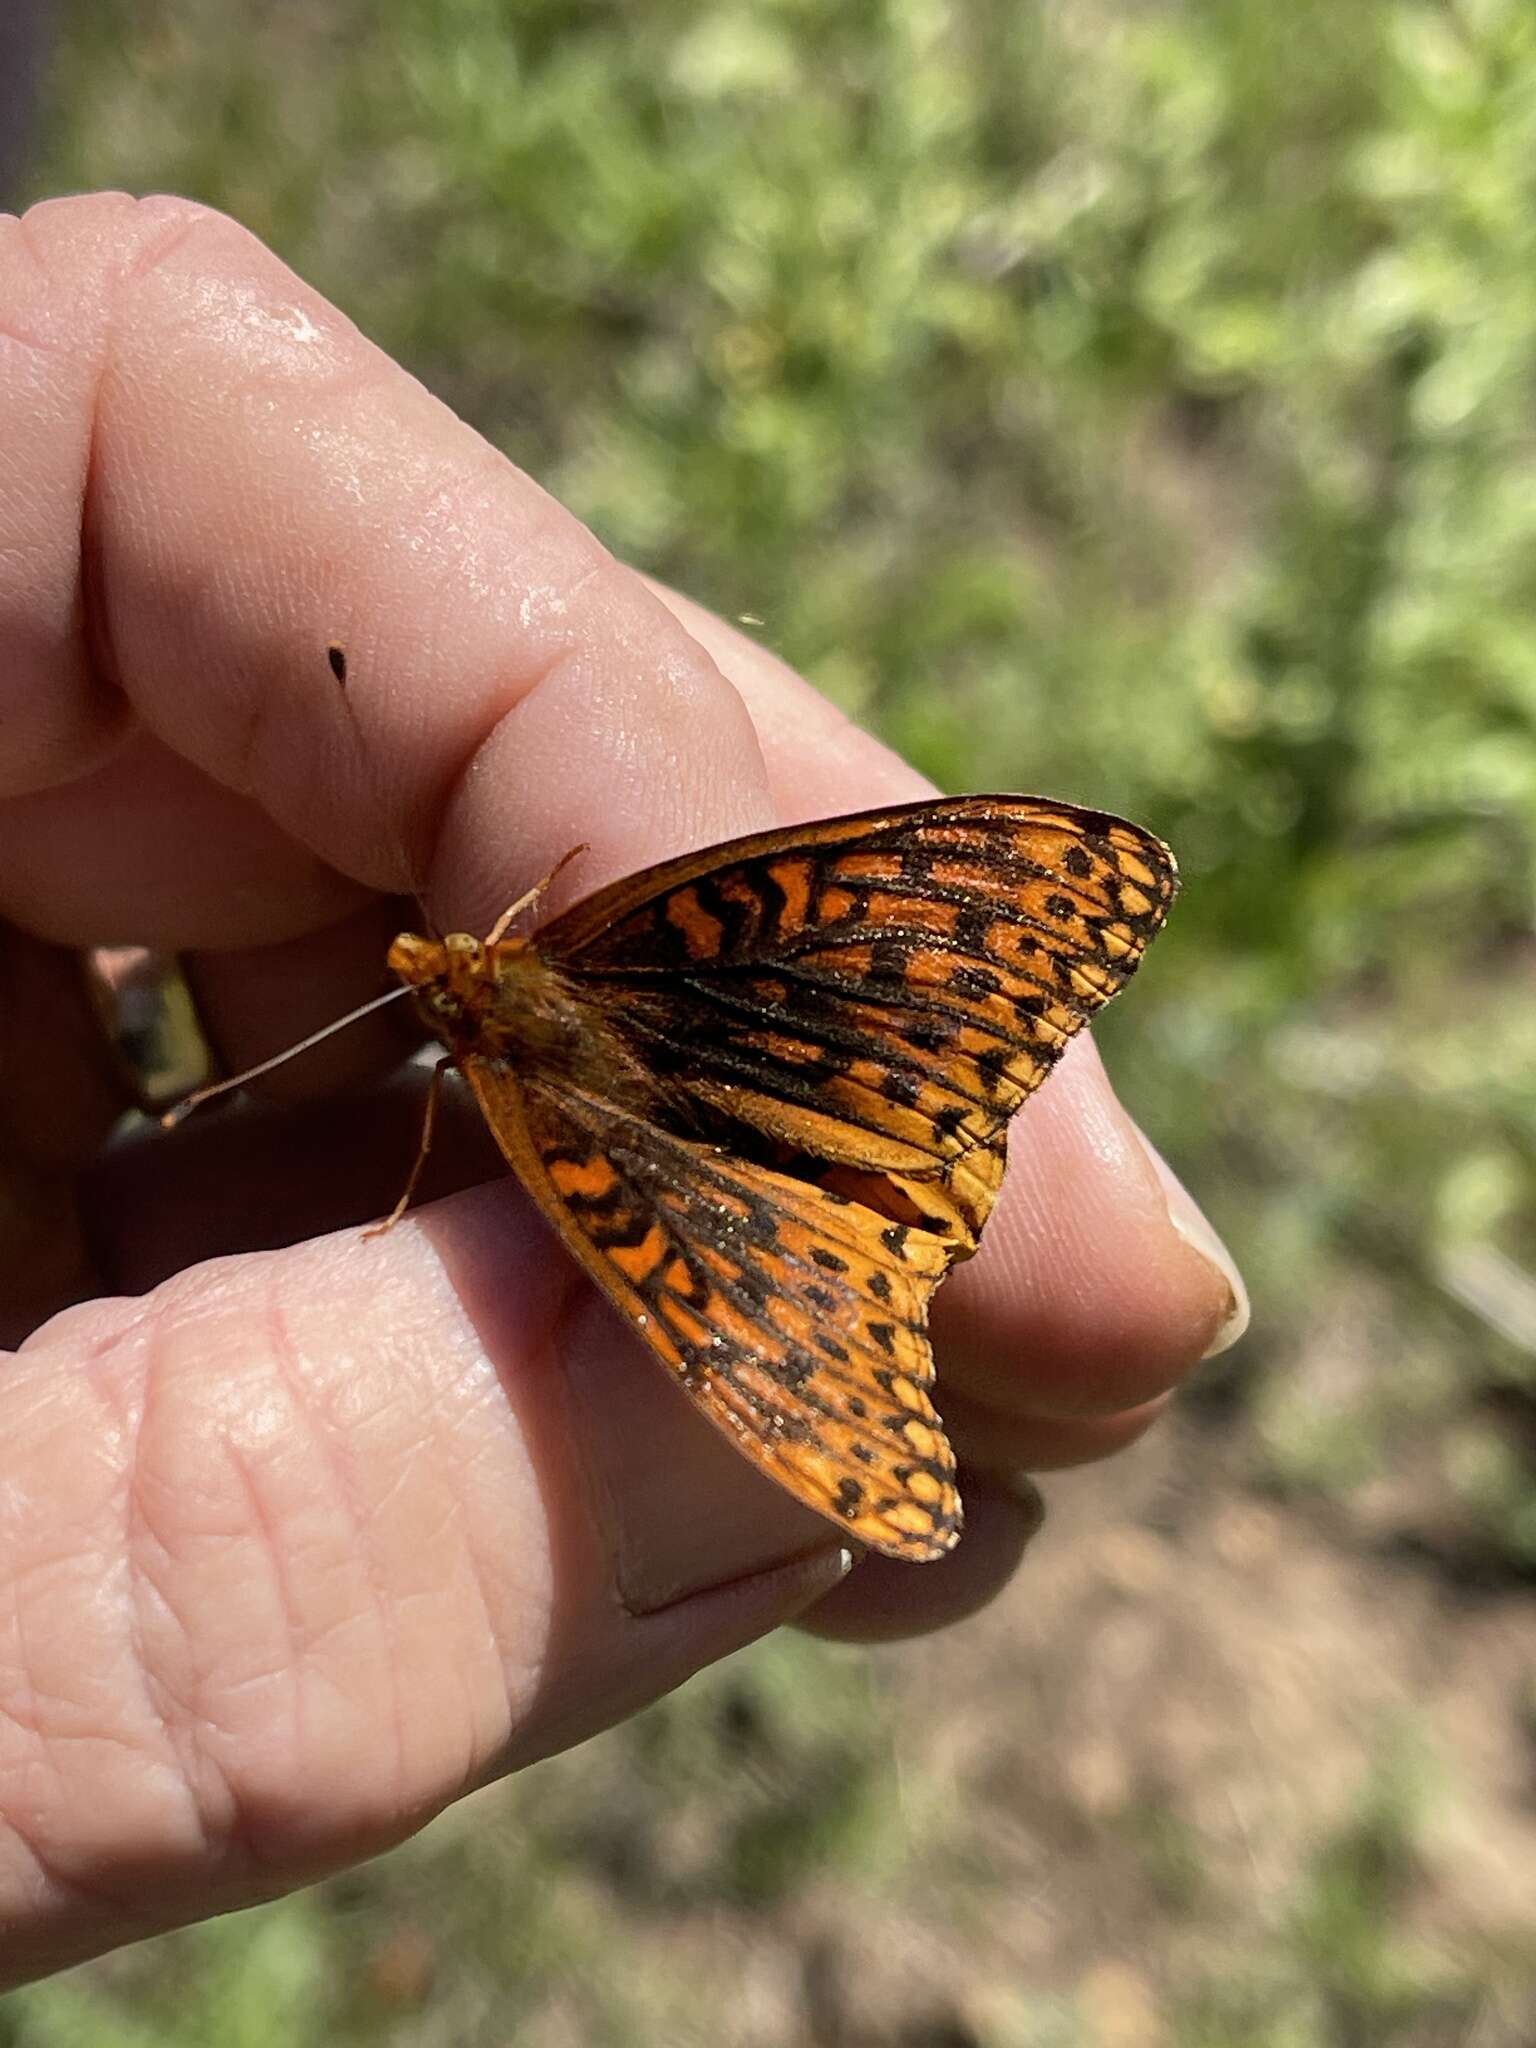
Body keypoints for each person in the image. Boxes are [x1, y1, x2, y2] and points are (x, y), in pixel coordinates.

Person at [0, 193, 1247, 1986]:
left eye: (447, 960)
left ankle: (866, 1231)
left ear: (475, 954)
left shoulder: (518, 1023)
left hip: (707, 1140)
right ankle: (880, 1197)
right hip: (742, 1082)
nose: (431, 968)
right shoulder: (581, 958)